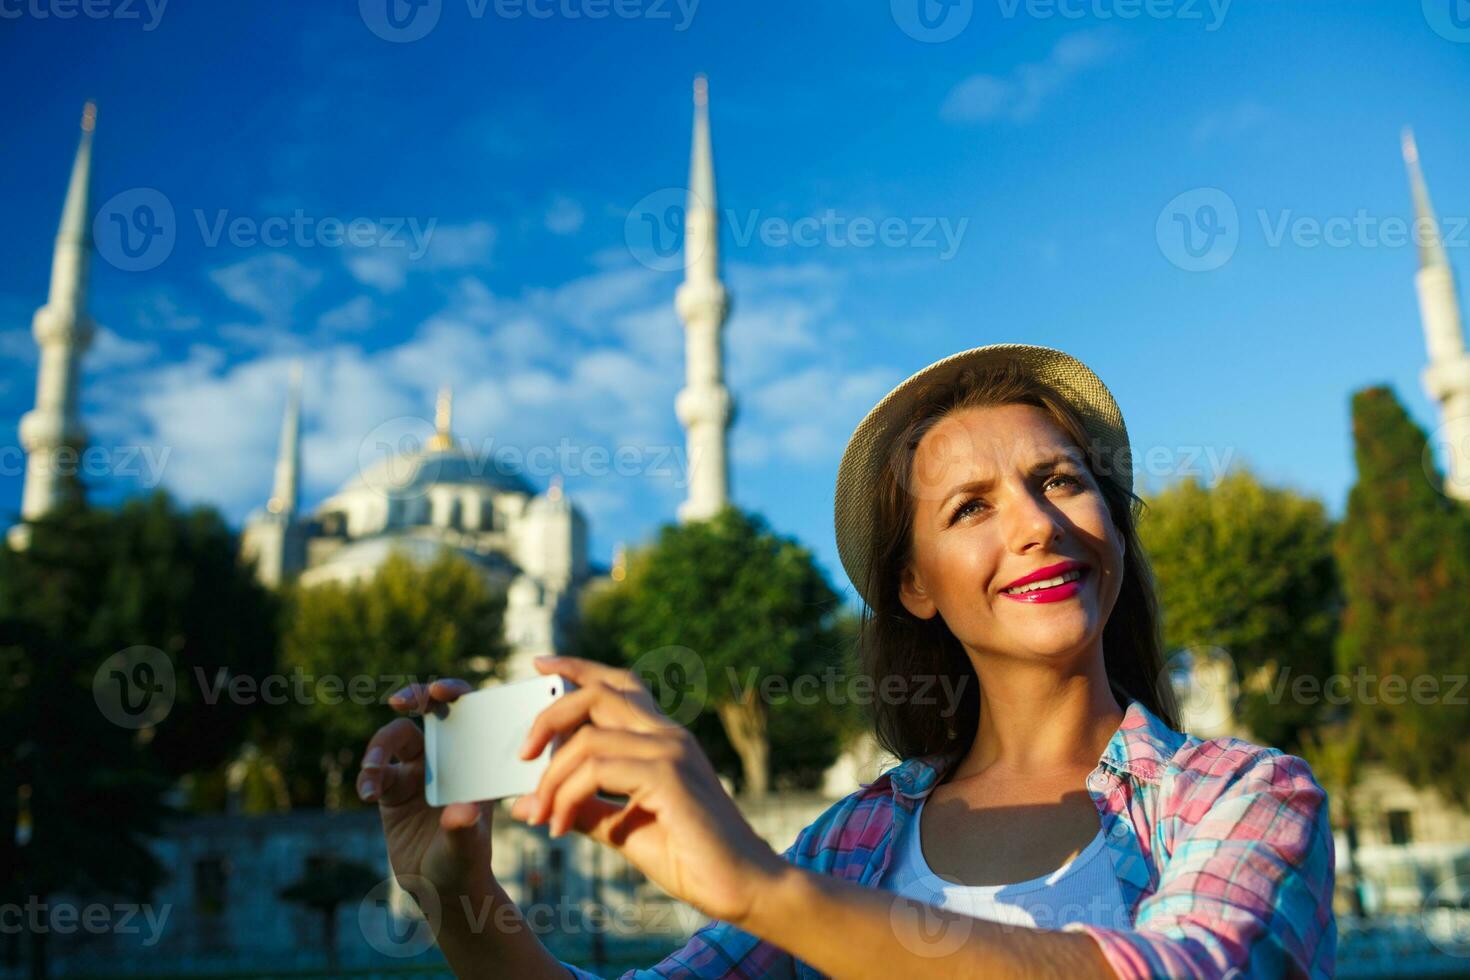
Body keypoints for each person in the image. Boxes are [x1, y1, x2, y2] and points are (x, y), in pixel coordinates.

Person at [357, 343, 1337, 978]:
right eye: (972, 506)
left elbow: (1190, 968)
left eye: (1061, 481)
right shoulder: (854, 840)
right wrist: (456, 892)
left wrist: (763, 888)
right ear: (914, 582)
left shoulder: (1245, 794)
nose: (1037, 525)